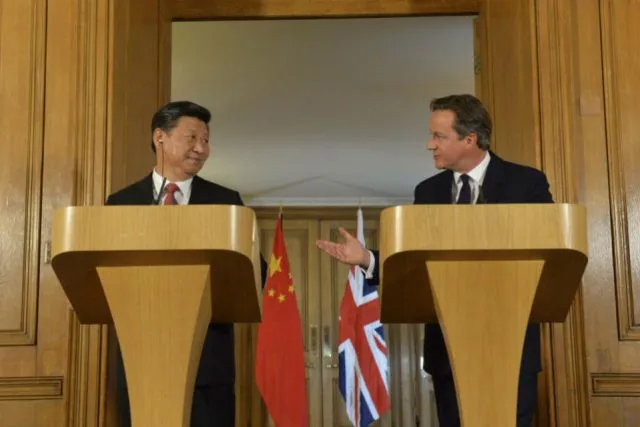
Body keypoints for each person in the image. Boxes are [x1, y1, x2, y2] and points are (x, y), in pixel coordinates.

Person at [315, 94, 552, 427]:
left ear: (469, 139)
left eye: (439, 136)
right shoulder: (427, 192)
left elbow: (546, 252)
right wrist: (367, 258)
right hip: (446, 351)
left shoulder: (526, 184)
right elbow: (415, 265)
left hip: (510, 346)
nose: (430, 144)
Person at [105, 100, 267, 427]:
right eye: (192, 137)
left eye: (206, 140)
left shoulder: (226, 202)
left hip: (208, 367)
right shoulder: (121, 203)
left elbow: (256, 273)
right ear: (159, 138)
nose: (202, 148)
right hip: (140, 364)